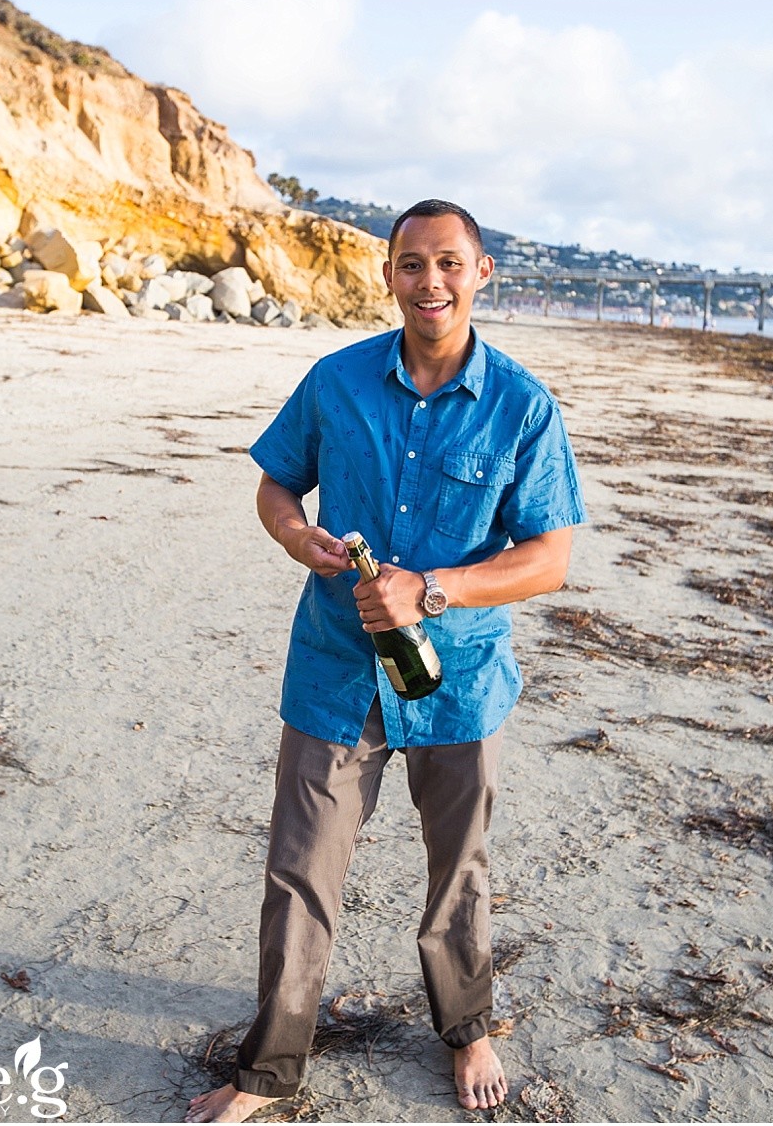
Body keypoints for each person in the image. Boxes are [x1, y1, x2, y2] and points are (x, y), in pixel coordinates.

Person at [186, 200, 587, 1124]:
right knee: (300, 870)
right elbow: (278, 484)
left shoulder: (523, 406)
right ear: (389, 275)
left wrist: (431, 590)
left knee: (460, 869)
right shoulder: (336, 380)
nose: (430, 281)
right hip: (335, 669)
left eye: (449, 263)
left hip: (461, 681)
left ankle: (468, 1028)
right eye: (412, 264)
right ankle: (268, 1071)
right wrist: (299, 538)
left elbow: (549, 559)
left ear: (481, 274)